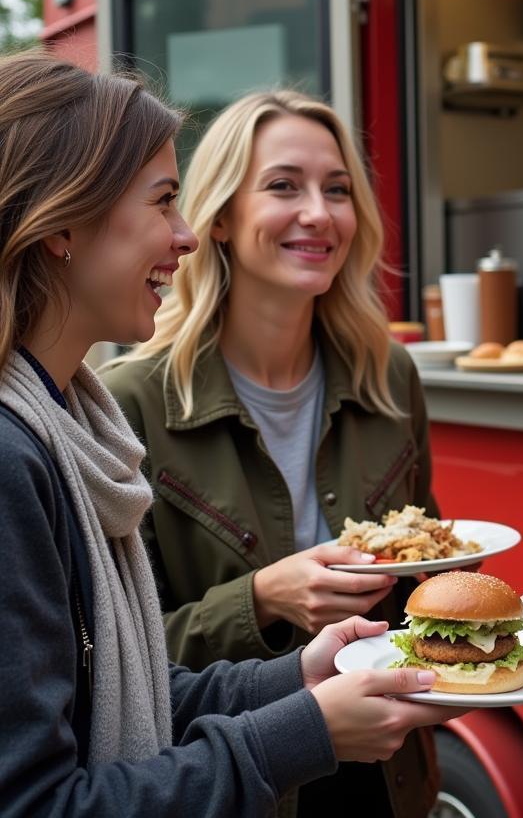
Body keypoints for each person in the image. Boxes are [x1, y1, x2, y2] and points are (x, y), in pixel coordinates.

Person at [0, 51, 459, 817]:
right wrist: (295, 709)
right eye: (162, 202)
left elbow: (133, 687)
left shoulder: (77, 425)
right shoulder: (31, 451)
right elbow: (40, 800)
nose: (180, 237)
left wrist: (297, 676)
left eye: (339, 189)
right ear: (63, 222)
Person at [102, 90, 440, 817]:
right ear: (219, 216)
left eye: (338, 190)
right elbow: (116, 662)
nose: (318, 213)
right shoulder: (128, 403)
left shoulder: (390, 376)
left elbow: (433, 573)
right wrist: (259, 600)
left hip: (385, 771)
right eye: (284, 186)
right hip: (232, 780)